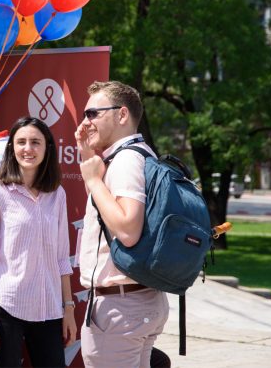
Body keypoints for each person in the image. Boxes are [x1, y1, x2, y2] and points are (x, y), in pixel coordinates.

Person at [75, 81, 169, 368]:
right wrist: (87, 155)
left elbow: (128, 230)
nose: (85, 122)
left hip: (120, 307)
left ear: (122, 115)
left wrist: (92, 180)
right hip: (135, 301)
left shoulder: (126, 160)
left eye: (93, 114)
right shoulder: (139, 154)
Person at [0, 116, 76, 367]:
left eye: (35, 142)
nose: (28, 148)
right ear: (12, 148)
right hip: (6, 306)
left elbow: (62, 258)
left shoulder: (58, 195)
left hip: (49, 309)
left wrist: (68, 309)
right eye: (21, 142)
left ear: (47, 149)